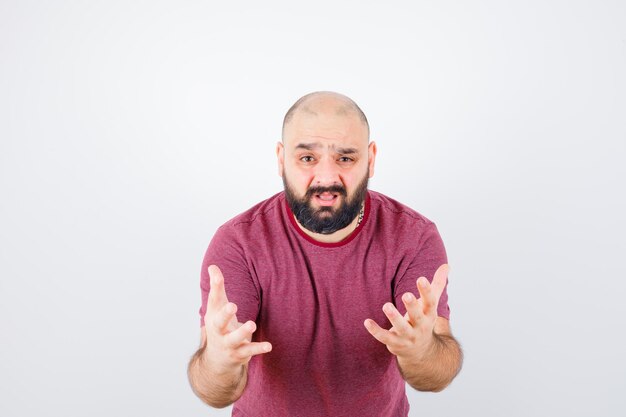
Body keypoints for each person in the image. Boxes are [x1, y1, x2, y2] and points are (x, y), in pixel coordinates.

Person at [187, 91, 463, 416]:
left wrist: (423, 350)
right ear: (281, 159)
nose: (327, 177)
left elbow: (433, 377)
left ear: (371, 159)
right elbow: (216, 392)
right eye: (307, 158)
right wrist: (218, 361)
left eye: (346, 158)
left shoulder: (414, 238)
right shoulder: (238, 243)